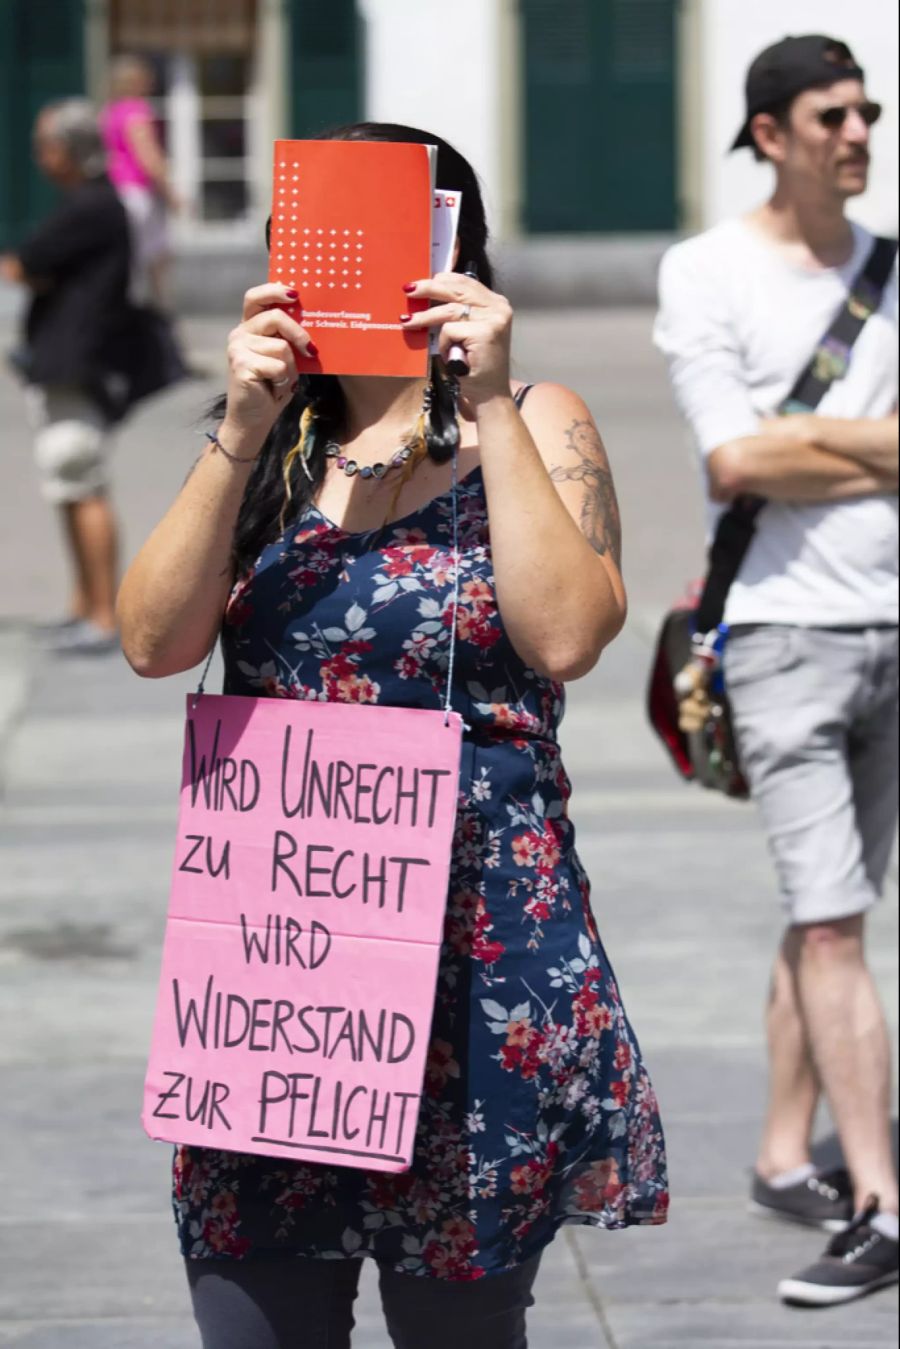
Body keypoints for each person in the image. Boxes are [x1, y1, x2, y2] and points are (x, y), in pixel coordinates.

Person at [118, 123, 668, 1349]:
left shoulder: (533, 419)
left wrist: (482, 397)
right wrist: (246, 427)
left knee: (458, 1324)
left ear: (460, 252)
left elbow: (568, 633)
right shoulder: (268, 444)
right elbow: (153, 639)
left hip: (480, 946)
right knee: (255, 1312)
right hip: (290, 948)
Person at [655, 36, 899, 1309]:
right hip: (783, 633)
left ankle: (774, 1149)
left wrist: (795, 429)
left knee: (830, 905)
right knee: (832, 918)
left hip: (894, 629)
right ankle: (878, 1197)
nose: (857, 132)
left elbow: (766, 445)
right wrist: (866, 447)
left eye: (867, 110)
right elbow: (732, 466)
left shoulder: (895, 270)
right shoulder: (705, 272)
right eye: (830, 115)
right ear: (769, 133)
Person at [1, 99, 131, 653]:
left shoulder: (90, 205)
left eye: (45, 145)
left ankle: (102, 614)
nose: (39, 156)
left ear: (66, 151)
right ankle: (85, 603)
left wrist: (31, 274)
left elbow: (23, 265)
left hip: (75, 363)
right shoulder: (94, 202)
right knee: (69, 484)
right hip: (69, 362)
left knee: (81, 483)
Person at [100, 54, 178, 309]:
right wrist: (170, 191)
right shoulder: (137, 111)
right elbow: (148, 156)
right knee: (150, 255)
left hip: (118, 190)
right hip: (137, 191)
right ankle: (154, 312)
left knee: (138, 253)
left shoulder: (110, 112)